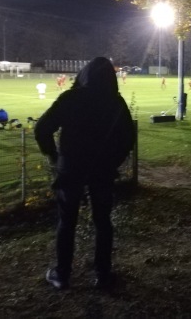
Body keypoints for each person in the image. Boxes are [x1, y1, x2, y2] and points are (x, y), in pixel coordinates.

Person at [34, 57, 135, 291]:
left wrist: (54, 156)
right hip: (102, 169)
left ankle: (62, 274)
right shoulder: (116, 102)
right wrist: (113, 162)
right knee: (102, 221)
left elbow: (42, 129)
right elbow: (128, 138)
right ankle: (103, 274)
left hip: (71, 168)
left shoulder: (71, 98)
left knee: (67, 220)